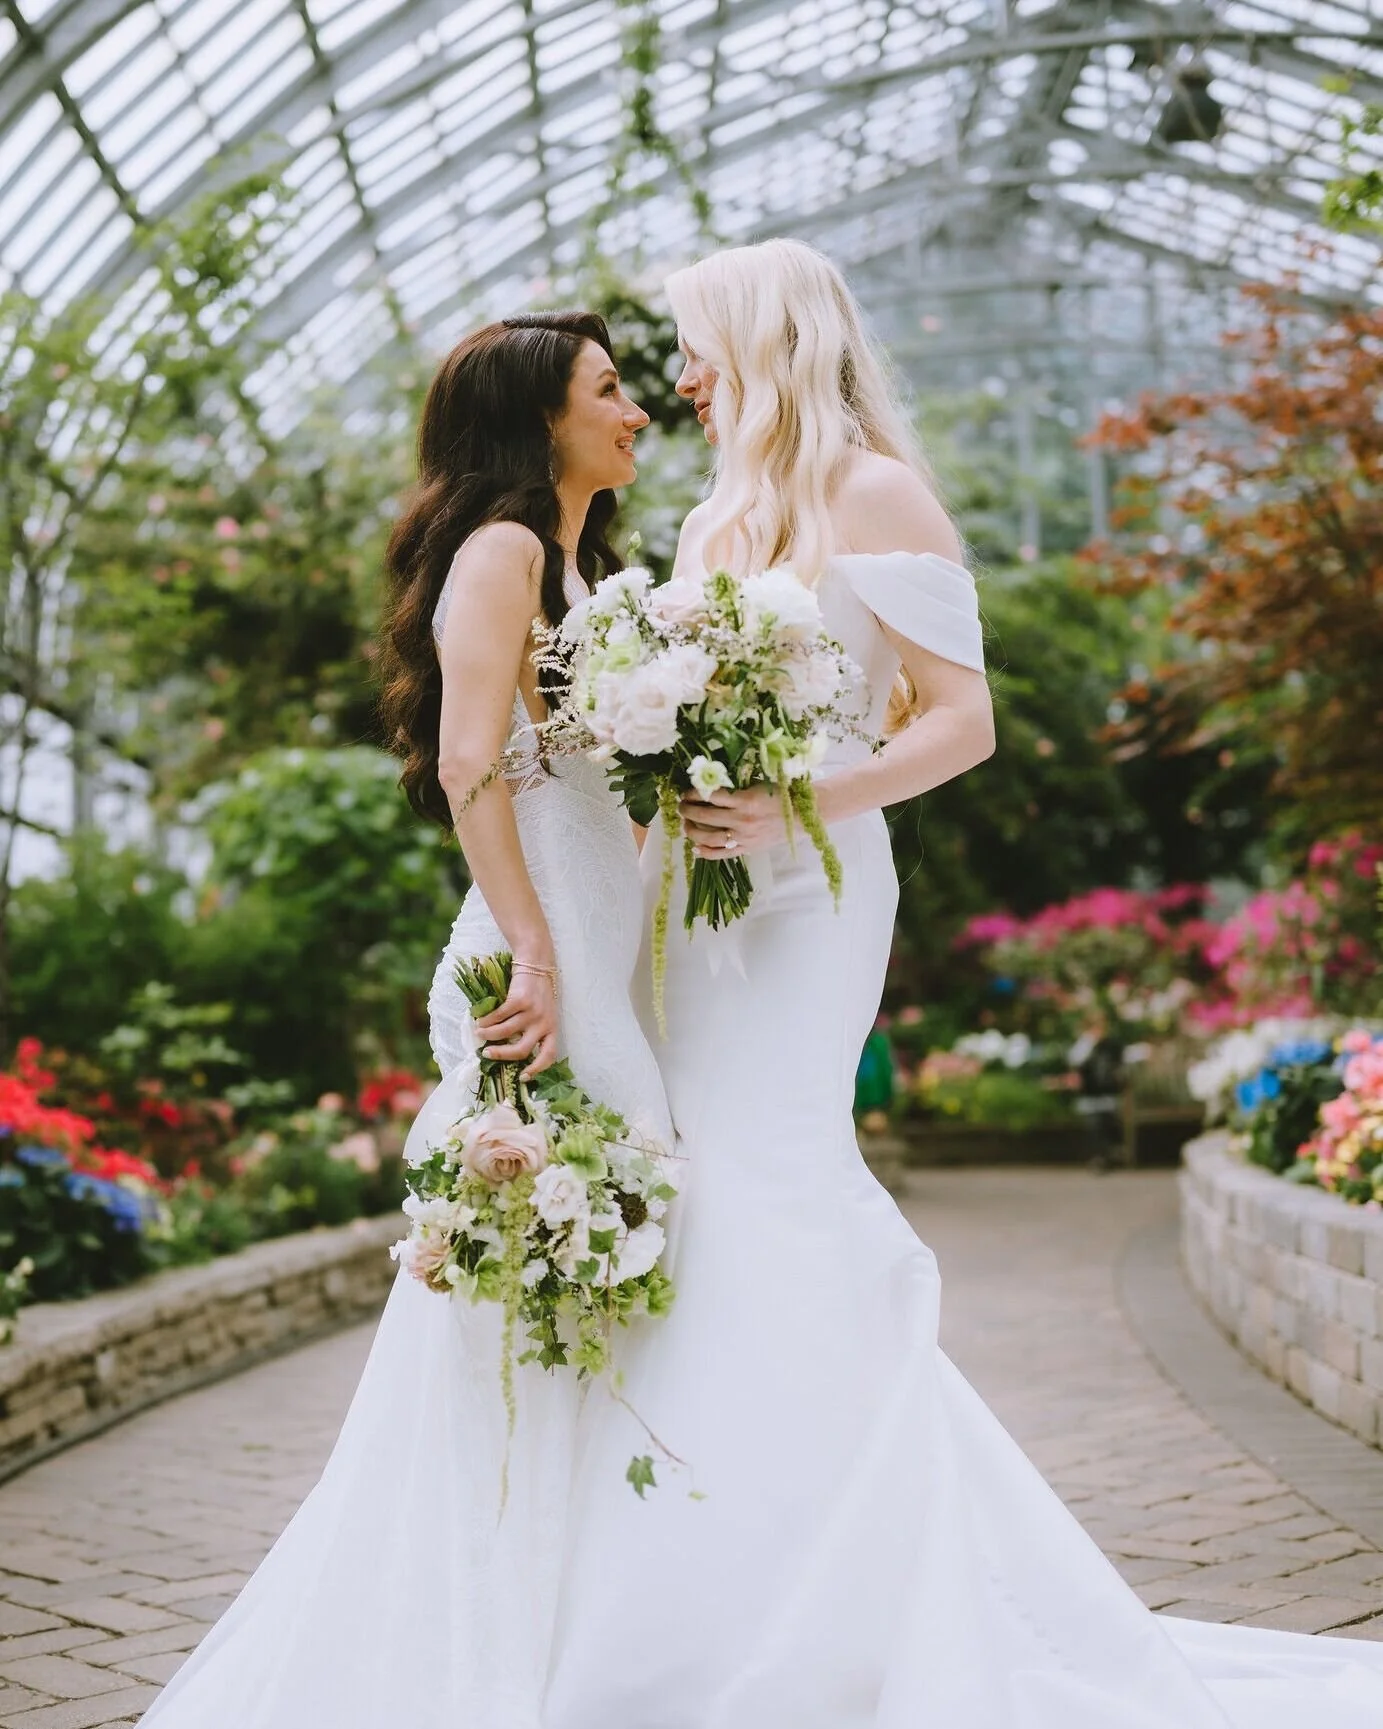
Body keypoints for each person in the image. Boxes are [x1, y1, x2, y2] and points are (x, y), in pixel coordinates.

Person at [541, 239, 1383, 1728]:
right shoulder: (713, 514)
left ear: (766, 342)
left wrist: (805, 793)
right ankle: (743, 1542)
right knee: (710, 1195)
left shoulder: (873, 492)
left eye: (696, 348)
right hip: (700, 904)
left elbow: (963, 724)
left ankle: (871, 1549)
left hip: (814, 897)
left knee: (777, 1179)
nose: (678, 379)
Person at [136, 312, 670, 1728]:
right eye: (609, 392)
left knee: (606, 1273)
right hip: (536, 972)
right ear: (537, 420)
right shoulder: (501, 551)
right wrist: (540, 954)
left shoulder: (586, 566)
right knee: (534, 1283)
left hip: (599, 961)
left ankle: (585, 1620)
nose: (637, 413)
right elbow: (465, 753)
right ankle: (484, 1637)